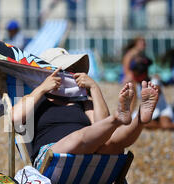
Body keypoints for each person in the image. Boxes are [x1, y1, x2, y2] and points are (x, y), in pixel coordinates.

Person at [12, 49, 160, 170]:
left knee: (113, 143)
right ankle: (117, 118)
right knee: (78, 137)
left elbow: (103, 128)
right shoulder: (35, 98)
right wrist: (43, 88)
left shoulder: (83, 102)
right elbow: (15, 119)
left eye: (72, 69)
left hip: (88, 153)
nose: (71, 73)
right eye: (65, 69)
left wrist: (94, 88)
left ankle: (140, 118)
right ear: (47, 74)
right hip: (50, 156)